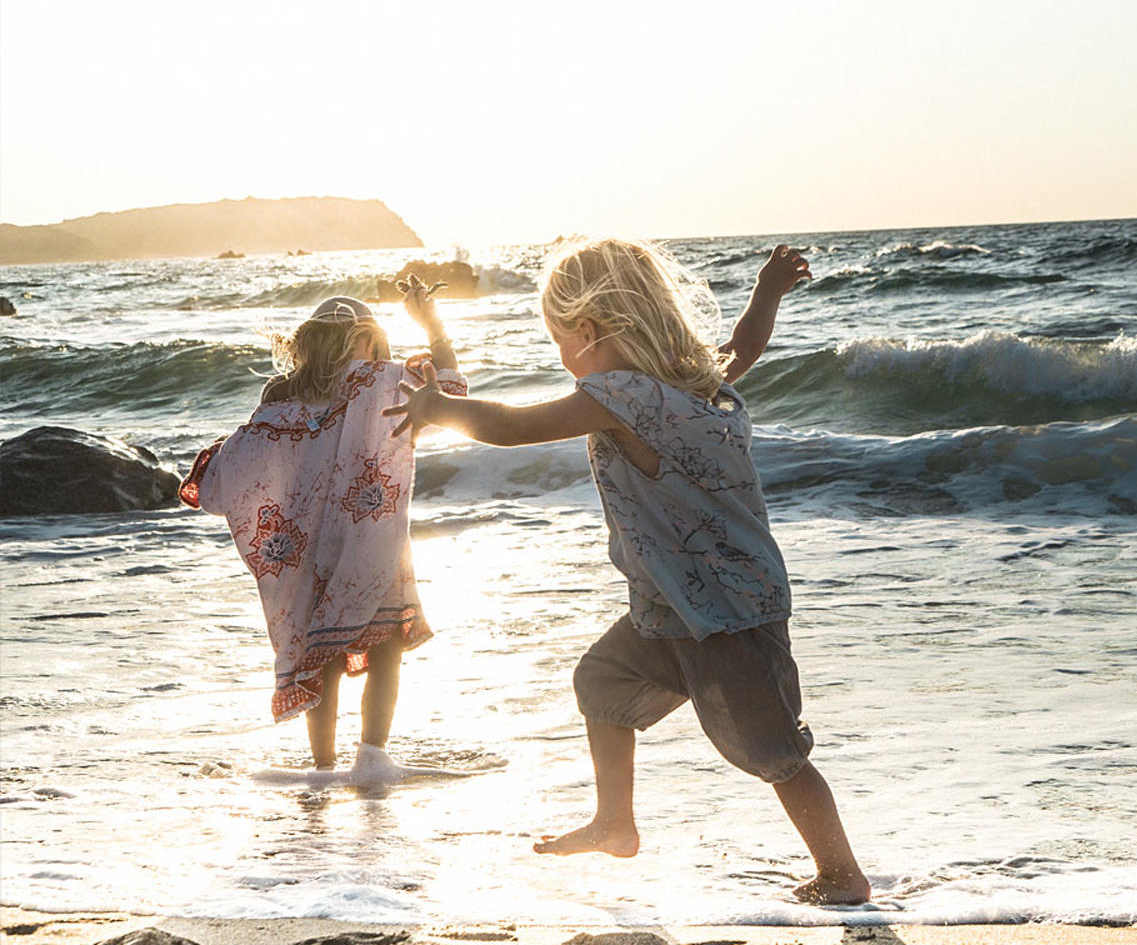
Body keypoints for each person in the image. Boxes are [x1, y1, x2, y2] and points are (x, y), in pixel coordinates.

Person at [383, 239, 871, 905]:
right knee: (604, 682)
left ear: (588, 331)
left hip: (728, 612)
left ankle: (843, 873)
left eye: (559, 339)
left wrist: (438, 409)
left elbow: (513, 426)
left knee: (774, 751)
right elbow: (743, 348)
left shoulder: (621, 393)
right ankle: (615, 822)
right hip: (675, 603)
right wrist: (768, 291)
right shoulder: (689, 374)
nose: (561, 356)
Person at [180, 278, 465, 780]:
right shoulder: (385, 379)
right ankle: (372, 755)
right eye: (371, 340)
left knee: (322, 651)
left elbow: (259, 452)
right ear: (368, 339)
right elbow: (455, 395)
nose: (373, 349)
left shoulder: (282, 392)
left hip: (311, 547)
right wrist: (433, 325)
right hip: (373, 537)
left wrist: (216, 466)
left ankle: (322, 766)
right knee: (385, 648)